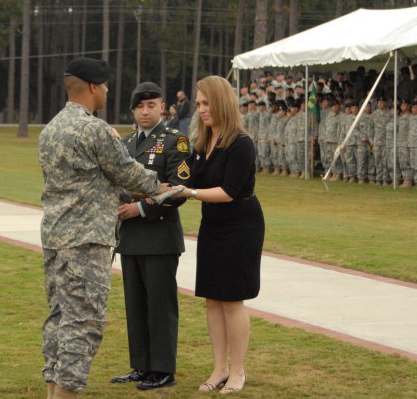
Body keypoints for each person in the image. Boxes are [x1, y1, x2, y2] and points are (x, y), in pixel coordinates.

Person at [38, 57, 169, 399]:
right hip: (86, 241)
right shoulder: (94, 129)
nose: (109, 91)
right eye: (106, 85)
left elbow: (93, 180)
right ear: (93, 88)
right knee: (84, 325)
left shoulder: (50, 128)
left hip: (56, 237)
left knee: (60, 319)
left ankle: (53, 393)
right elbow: (127, 171)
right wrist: (161, 186)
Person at [174, 75, 264, 395]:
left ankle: (238, 371)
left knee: (231, 301)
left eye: (206, 103)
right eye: (198, 104)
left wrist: (189, 192)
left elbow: (228, 191)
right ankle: (219, 368)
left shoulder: (241, 143)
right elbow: (184, 174)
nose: (200, 109)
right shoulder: (201, 142)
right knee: (212, 299)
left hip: (241, 226)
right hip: (212, 225)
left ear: (221, 102)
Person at [111, 82, 191, 390]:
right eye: (140, 107)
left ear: (163, 108)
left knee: (160, 306)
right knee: (136, 305)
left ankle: (163, 369)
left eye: (152, 106)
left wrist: (141, 207)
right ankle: (141, 366)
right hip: (130, 238)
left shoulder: (175, 141)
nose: (146, 111)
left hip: (159, 235)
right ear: (132, 111)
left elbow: (179, 190)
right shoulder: (127, 143)